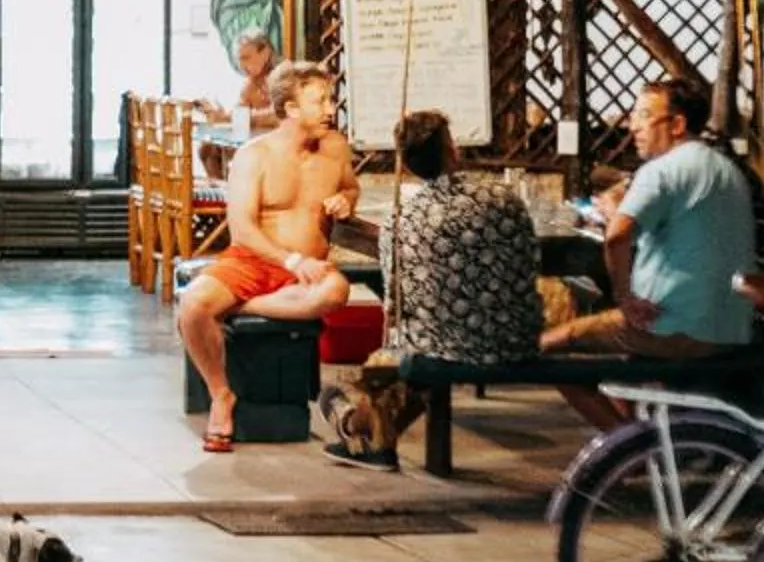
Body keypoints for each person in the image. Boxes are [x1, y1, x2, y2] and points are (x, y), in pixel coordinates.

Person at [539, 76, 760, 429]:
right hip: (730, 325)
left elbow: (616, 238)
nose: (633, 126)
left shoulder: (661, 170)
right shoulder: (725, 169)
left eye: (644, 115)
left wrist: (625, 298)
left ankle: (627, 445)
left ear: (677, 124)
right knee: (616, 343)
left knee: (548, 345)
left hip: (674, 326)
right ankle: (635, 439)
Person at [328, 110, 542, 469]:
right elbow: (530, 262)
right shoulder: (504, 199)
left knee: (401, 354)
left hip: (442, 347)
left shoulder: (403, 220)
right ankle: (363, 431)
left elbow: (394, 302)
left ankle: (364, 431)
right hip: (514, 338)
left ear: (408, 164)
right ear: (452, 150)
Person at [176, 62, 358, 452]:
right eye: (319, 101)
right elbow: (242, 229)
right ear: (291, 109)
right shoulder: (253, 156)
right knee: (192, 307)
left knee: (336, 292)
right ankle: (221, 395)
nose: (330, 108)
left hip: (305, 275)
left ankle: (237, 307)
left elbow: (350, 187)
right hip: (255, 261)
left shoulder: (336, 148)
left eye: (329, 99)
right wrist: (291, 261)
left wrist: (345, 200)